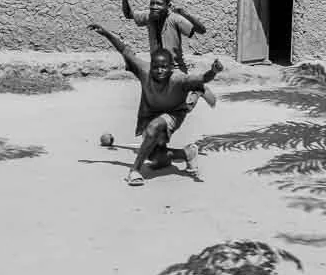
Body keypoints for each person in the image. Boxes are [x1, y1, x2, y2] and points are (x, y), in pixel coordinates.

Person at [88, 23, 224, 186]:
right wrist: (106, 33)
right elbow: (124, 50)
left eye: (164, 67)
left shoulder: (178, 78)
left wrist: (214, 71)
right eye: (156, 67)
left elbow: (203, 77)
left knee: (154, 128)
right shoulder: (144, 70)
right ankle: (187, 153)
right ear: (151, 66)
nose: (160, 70)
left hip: (174, 113)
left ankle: (134, 171)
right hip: (151, 112)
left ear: (170, 68)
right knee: (154, 155)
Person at [121, 0, 217, 108]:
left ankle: (197, 89)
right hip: (158, 67)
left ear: (168, 6)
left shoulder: (175, 19)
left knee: (184, 105)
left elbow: (201, 30)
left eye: (159, 4)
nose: (154, 6)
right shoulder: (149, 16)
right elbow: (129, 14)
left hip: (175, 68)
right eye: (152, 3)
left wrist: (186, 14)